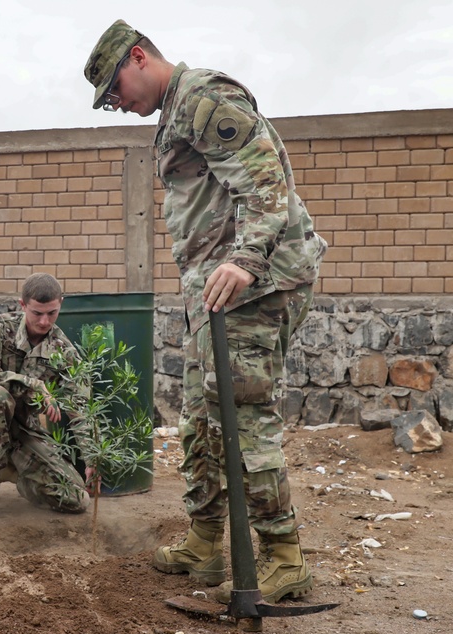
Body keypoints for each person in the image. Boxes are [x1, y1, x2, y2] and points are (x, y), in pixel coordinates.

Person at [83, 21, 327, 604]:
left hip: (257, 285)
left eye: (115, 90)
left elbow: (267, 182)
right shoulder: (174, 114)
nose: (117, 105)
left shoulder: (204, 99)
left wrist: (245, 258)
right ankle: (205, 540)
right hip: (214, 295)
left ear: (138, 57)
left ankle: (283, 555)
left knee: (242, 416)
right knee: (199, 417)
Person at [0, 273, 94, 523]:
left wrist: (92, 457)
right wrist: (33, 384)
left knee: (75, 499)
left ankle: (15, 470)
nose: (44, 321)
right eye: (37, 313)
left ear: (61, 303)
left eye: (52, 313)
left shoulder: (64, 351)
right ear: (22, 305)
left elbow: (80, 407)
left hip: (24, 430)